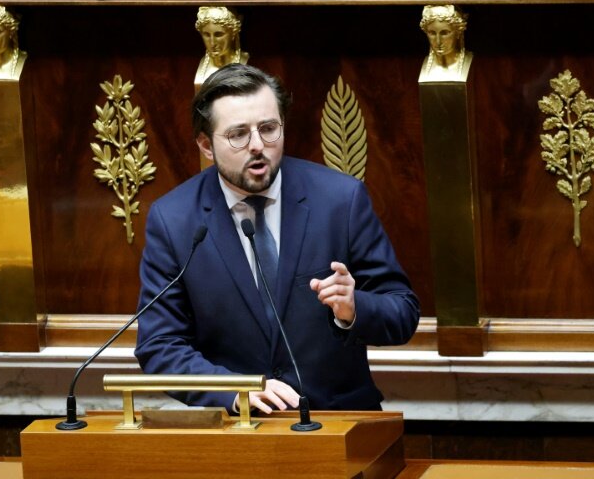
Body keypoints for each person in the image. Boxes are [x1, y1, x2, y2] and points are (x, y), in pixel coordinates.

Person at [135, 64, 420, 414]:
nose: (258, 146)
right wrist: (234, 391)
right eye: (238, 135)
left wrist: (354, 307)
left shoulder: (340, 200)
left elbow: (403, 311)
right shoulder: (174, 220)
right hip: (240, 433)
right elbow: (159, 344)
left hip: (338, 422)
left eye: (269, 129)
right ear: (206, 145)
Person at [194, 7, 249, 88]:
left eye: (218, 34)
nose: (212, 43)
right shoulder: (203, 66)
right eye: (206, 35)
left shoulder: (243, 59)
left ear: (233, 33)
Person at [419, 4, 471, 81]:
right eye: (432, 33)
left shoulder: (477, 65)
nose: (438, 41)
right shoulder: (415, 66)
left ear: (458, 33)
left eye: (445, 33)